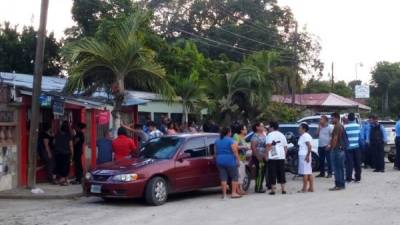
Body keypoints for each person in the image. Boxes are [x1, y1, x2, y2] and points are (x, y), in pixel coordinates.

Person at [214, 127, 242, 199]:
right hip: (229, 160)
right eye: (230, 132)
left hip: (219, 160)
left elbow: (215, 152)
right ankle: (233, 193)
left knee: (223, 178)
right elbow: (235, 151)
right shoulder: (231, 141)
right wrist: (238, 160)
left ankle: (224, 195)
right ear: (228, 132)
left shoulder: (217, 141)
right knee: (234, 176)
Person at [265, 121, 288, 195]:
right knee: (281, 172)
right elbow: (285, 147)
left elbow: (268, 146)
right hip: (281, 156)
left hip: (272, 156)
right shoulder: (282, 135)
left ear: (272, 127)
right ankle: (283, 189)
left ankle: (273, 190)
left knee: (272, 173)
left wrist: (266, 155)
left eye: (269, 127)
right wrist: (284, 156)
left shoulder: (269, 135)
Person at [329, 112, 346, 191]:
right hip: (341, 149)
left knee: (336, 168)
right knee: (341, 168)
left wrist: (332, 147)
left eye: (332, 118)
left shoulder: (337, 126)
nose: (331, 120)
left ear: (336, 118)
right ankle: (342, 184)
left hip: (337, 149)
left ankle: (338, 185)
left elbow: (335, 138)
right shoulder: (341, 126)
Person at [54, 121, 74, 186]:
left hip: (58, 153)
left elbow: (54, 142)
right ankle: (63, 180)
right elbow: (71, 146)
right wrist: (72, 153)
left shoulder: (57, 134)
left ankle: (62, 179)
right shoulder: (68, 136)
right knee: (65, 167)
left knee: (59, 166)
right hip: (66, 154)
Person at [344, 113, 362, 182]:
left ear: (348, 119)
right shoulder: (358, 126)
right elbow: (360, 138)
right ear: (354, 118)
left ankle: (349, 178)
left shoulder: (345, 127)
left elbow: (344, 138)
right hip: (357, 147)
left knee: (349, 163)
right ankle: (358, 178)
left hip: (348, 147)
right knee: (357, 163)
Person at [232, 124, 249, 195]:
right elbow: (235, 146)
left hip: (243, 158)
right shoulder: (236, 136)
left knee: (242, 174)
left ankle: (241, 188)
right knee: (239, 174)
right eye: (245, 129)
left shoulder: (243, 137)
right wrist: (244, 146)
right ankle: (238, 189)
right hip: (238, 158)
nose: (246, 130)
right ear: (241, 130)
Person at [251, 122, 267, 193]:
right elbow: (253, 147)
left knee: (262, 172)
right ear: (257, 127)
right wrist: (258, 156)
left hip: (263, 156)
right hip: (258, 156)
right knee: (259, 172)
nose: (263, 127)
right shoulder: (255, 136)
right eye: (261, 126)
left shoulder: (264, 134)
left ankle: (260, 186)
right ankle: (258, 188)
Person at [298, 123, 314, 192]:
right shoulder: (305, 136)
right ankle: (311, 187)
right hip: (305, 155)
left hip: (304, 155)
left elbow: (309, 146)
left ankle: (304, 188)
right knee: (308, 172)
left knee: (305, 172)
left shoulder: (305, 136)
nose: (299, 129)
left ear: (304, 129)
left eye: (300, 128)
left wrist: (307, 156)